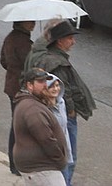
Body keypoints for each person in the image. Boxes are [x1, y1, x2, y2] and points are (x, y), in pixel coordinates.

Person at [27, 20, 94, 186]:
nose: (73, 42)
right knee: (67, 157)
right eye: (70, 38)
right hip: (62, 116)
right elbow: (63, 93)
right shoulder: (57, 63)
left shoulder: (47, 57)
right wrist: (71, 111)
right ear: (59, 41)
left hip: (51, 115)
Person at [12, 68, 69, 186]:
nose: (45, 85)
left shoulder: (31, 103)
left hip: (37, 166)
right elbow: (46, 140)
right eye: (40, 82)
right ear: (29, 85)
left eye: (45, 81)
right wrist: (61, 160)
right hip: (41, 168)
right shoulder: (33, 109)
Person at [2, 21, 36, 175]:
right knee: (19, 127)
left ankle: (14, 162)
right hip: (19, 88)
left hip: (11, 86)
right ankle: (16, 163)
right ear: (22, 23)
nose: (33, 24)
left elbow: (3, 60)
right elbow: (30, 64)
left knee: (16, 124)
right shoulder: (23, 42)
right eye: (30, 22)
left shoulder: (10, 37)